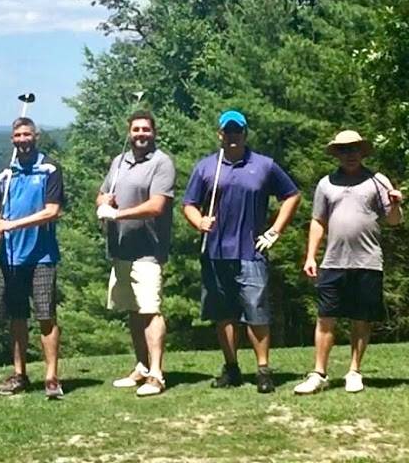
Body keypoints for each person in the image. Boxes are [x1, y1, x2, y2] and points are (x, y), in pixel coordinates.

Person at [182, 110, 300, 393]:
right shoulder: (207, 167)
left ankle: (263, 371)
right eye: (228, 131)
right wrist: (199, 221)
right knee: (223, 314)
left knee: (256, 313)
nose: (233, 136)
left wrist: (275, 231)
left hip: (251, 251)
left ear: (245, 134)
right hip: (215, 252)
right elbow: (189, 204)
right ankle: (232, 368)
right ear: (220, 134)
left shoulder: (264, 165)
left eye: (238, 131)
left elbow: (292, 195)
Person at [294, 130, 403, 395]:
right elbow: (318, 221)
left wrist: (396, 204)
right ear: (337, 154)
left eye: (354, 149)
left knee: (361, 319)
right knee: (325, 318)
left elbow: (394, 221)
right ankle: (319, 373)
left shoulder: (377, 181)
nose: (350, 154)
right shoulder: (326, 184)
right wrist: (311, 256)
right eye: (344, 150)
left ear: (362, 151)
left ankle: (354, 371)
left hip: (368, 261)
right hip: (333, 262)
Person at [95, 110, 175, 397]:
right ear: (129, 133)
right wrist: (103, 201)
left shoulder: (161, 163)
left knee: (150, 310)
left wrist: (117, 214)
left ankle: (156, 374)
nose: (141, 134)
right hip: (121, 250)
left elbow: (156, 206)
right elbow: (102, 194)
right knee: (133, 310)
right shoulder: (119, 161)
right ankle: (141, 367)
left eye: (146, 130)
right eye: (136, 129)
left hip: (148, 251)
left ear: (154, 132)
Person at [0, 117, 65, 399]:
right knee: (17, 317)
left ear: (36, 136)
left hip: (41, 255)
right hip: (11, 258)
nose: (23, 140)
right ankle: (19, 374)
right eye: (18, 135)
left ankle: (51, 378)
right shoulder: (5, 174)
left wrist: (12, 225)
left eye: (27, 134)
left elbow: (52, 211)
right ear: (12, 139)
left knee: (46, 316)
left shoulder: (50, 169)